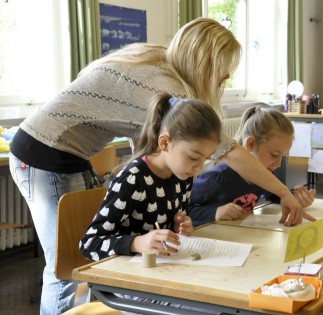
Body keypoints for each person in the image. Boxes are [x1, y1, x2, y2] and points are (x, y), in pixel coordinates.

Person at [8, 17, 304, 314]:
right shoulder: (164, 87)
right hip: (44, 150)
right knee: (66, 267)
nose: (225, 78)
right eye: (222, 72)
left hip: (69, 152)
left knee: (87, 261)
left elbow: (146, 143)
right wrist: (285, 193)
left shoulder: (162, 66)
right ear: (205, 64)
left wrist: (174, 221)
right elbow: (229, 151)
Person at [80, 94, 219, 261]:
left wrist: (178, 227)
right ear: (165, 143)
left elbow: (164, 229)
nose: (199, 167)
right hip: (123, 277)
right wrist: (137, 243)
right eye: (193, 157)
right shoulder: (132, 179)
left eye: (206, 158)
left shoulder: (183, 175)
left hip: (160, 270)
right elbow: (89, 244)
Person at [188, 106, 316, 227]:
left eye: (283, 157)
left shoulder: (265, 176)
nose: (278, 164)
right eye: (274, 155)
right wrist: (215, 212)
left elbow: (275, 196)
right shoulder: (216, 178)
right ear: (250, 144)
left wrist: (296, 199)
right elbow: (180, 209)